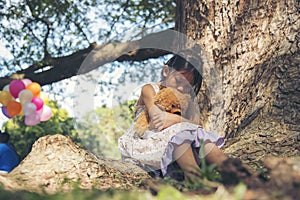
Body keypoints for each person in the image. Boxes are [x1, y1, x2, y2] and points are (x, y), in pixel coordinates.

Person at [118, 50, 227, 182]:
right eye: (178, 80)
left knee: (197, 137)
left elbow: (198, 127)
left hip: (177, 147)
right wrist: (181, 121)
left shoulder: (188, 101)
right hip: (145, 144)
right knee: (181, 133)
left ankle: (230, 169)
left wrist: (177, 119)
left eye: (187, 87)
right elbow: (157, 119)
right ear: (166, 72)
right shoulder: (149, 89)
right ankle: (194, 178)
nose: (181, 88)